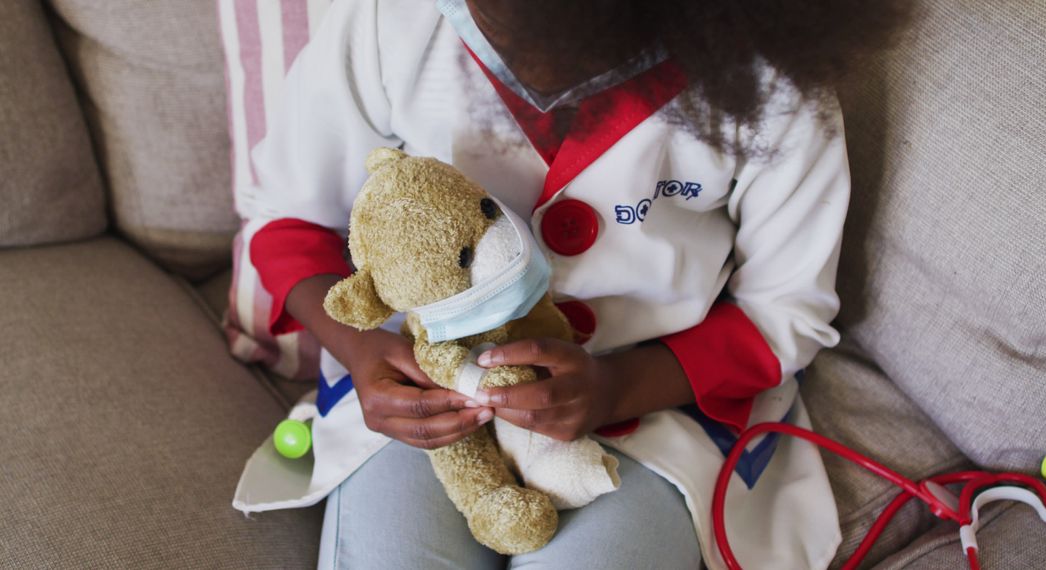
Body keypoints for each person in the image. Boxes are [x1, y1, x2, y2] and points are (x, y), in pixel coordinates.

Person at [238, 0, 907, 568]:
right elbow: (291, 222)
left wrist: (619, 387)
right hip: (425, 392)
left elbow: (784, 310)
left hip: (655, 407)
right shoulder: (394, 22)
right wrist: (359, 354)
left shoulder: (775, 84)